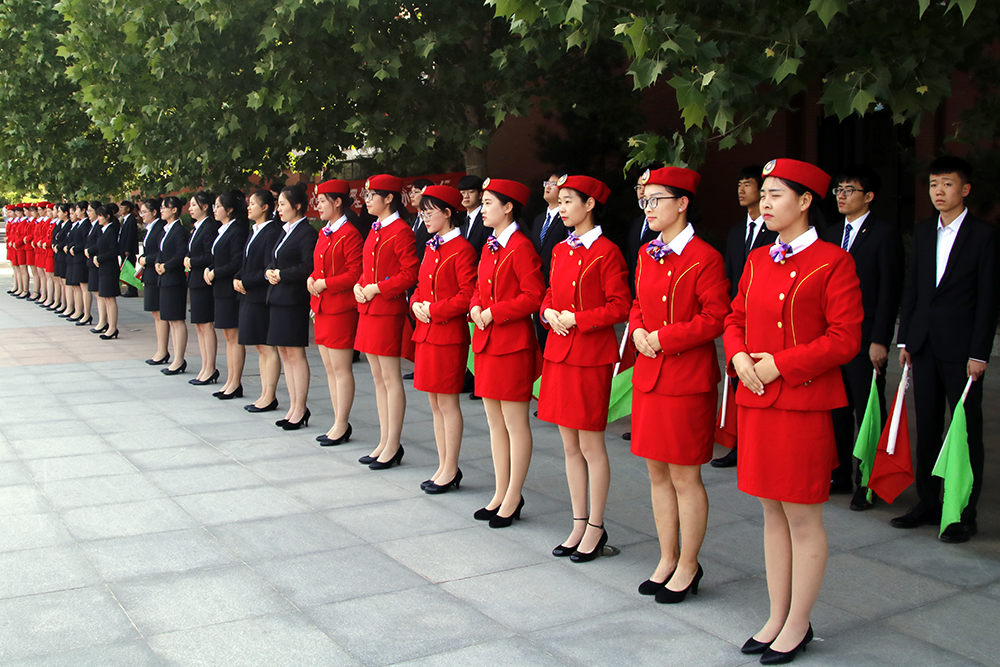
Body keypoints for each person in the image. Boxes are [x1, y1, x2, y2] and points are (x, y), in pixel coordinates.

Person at [724, 159, 862, 664]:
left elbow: (844, 339)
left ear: (805, 202)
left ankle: (798, 622)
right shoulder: (758, 258)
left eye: (776, 193)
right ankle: (776, 614)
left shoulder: (833, 261)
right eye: (763, 193)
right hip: (757, 399)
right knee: (770, 511)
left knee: (802, 516)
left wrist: (780, 364)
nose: (764, 202)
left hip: (803, 404)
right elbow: (735, 317)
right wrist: (739, 357)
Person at [629, 167, 730, 601]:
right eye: (645, 201)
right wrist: (637, 330)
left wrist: (663, 338)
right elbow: (636, 302)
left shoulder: (705, 257)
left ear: (683, 203)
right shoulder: (647, 252)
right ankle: (667, 557)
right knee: (656, 473)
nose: (648, 208)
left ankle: (689, 563)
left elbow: (716, 316)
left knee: (685, 476)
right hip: (650, 375)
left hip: (686, 378)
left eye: (656, 200)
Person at [894, 155, 999, 544]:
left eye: (948, 184)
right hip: (923, 345)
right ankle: (928, 502)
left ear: (965, 189)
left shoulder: (984, 236)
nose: (938, 191)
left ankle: (963, 513)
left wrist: (980, 353)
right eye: (933, 184)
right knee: (927, 427)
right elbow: (914, 288)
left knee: (966, 430)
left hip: (962, 351)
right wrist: (906, 339)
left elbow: (988, 300)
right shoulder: (924, 232)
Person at [540, 174, 630, 561]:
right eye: (559, 201)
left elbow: (620, 305)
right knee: (569, 445)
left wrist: (578, 319)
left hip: (591, 356)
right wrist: (547, 312)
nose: (561, 208)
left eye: (568, 201)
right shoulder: (560, 249)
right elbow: (549, 292)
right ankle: (578, 522)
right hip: (560, 353)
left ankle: (596, 525)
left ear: (589, 204)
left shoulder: (607, 251)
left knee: (591, 445)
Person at [822, 166, 903, 508]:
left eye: (849, 190)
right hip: (832, 340)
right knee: (837, 411)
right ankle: (839, 475)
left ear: (868, 196)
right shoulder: (830, 233)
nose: (841, 196)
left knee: (867, 413)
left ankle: (868, 482)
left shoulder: (884, 235)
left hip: (865, 341)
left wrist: (880, 340)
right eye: (838, 190)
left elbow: (889, 291)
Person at [469, 178, 544, 527]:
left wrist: (494, 312)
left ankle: (514, 495)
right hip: (487, 343)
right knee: (494, 423)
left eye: (488, 203)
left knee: (514, 424)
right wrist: (475, 305)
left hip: (512, 345)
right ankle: (500, 492)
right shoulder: (491, 244)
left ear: (508, 207)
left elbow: (534, 295)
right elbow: (478, 286)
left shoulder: (520, 246)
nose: (482, 209)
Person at [410, 184, 478, 493]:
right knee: (434, 403)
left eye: (429, 212)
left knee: (448, 403)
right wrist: (416, 303)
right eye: (422, 213)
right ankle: (442, 464)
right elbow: (420, 285)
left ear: (448, 213)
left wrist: (434, 310)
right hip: (426, 333)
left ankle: (451, 468)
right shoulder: (431, 246)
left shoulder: (462, 249)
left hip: (448, 335)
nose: (424, 218)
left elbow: (466, 295)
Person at [713, 165, 777, 468]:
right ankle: (741, 446)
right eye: (740, 184)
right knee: (739, 385)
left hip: (767, 319)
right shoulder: (737, 232)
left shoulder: (775, 232)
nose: (742, 190)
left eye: (748, 184)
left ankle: (760, 449)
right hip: (739, 319)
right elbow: (730, 275)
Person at [354, 174, 419, 467]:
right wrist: (359, 285)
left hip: (387, 311)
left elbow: (409, 273)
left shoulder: (401, 230)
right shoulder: (376, 228)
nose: (367, 201)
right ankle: (383, 440)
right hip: (369, 310)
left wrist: (378, 288)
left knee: (390, 379)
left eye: (372, 196)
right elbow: (367, 268)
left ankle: (393, 444)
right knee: (378, 378)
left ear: (389, 198)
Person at [308, 180, 363, 445]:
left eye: (322, 201)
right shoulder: (325, 231)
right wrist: (312, 278)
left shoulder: (349, 233)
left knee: (341, 369)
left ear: (338, 202)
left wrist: (325, 284)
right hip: (322, 307)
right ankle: (336, 421)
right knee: (329, 368)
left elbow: (354, 274)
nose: (318, 206)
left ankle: (342, 423)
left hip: (340, 309)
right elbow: (319, 266)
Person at [266, 184, 318, 430]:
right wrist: (270, 272)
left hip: (294, 300)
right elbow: (275, 258)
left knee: (295, 354)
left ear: (297, 206)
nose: (279, 209)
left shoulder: (306, 232)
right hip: (278, 297)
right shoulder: (284, 230)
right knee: (284, 353)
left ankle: (301, 408)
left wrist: (282, 274)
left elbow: (308, 266)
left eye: (283, 204)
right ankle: (293, 406)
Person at [235, 190, 283, 413]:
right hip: (248, 294)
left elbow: (267, 267)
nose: (249, 207)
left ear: (265, 207)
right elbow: (246, 263)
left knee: (266, 346)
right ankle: (264, 393)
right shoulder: (254, 230)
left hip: (261, 295)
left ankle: (269, 395)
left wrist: (245, 281)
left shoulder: (271, 232)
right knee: (259, 346)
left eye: (253, 203)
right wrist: (237, 278)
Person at [206, 192, 250, 399]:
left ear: (230, 209)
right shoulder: (222, 230)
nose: (214, 210)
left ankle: (235, 382)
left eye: (218, 206)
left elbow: (236, 262)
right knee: (228, 336)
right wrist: (210, 268)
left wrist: (216, 272)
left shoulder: (237, 231)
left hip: (230, 289)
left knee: (234, 336)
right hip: (219, 289)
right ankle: (230, 380)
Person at [185, 191, 221, 386]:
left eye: (194, 205)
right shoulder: (197, 227)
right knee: (199, 325)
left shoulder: (209, 228)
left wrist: (192, 261)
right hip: (195, 281)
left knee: (206, 325)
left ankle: (210, 368)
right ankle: (205, 366)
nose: (190, 208)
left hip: (204, 281)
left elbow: (209, 256)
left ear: (205, 207)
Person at [530, 171, 569, 352]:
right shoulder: (539, 219)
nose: (548, 186)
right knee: (541, 336)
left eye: (553, 184)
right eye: (547, 182)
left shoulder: (567, 219)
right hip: (538, 284)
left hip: (556, 285)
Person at [155, 196, 191, 375]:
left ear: (174, 210)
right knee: (169, 318)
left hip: (175, 279)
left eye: (164, 207)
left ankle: (179, 359)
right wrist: (157, 262)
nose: (162, 210)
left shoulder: (179, 231)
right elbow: (160, 250)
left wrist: (166, 266)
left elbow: (180, 254)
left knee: (177, 319)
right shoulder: (165, 229)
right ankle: (174, 357)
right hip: (164, 279)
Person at [138, 198, 171, 365]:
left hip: (156, 272)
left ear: (154, 212)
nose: (142, 215)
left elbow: (160, 251)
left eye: (144, 211)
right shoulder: (151, 227)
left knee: (159, 313)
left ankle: (162, 350)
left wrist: (147, 259)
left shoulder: (159, 227)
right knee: (155, 313)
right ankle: (160, 349)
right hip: (150, 273)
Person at [92, 203, 122, 339]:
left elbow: (114, 251)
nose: (98, 218)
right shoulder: (103, 230)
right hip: (103, 267)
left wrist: (99, 258)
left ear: (107, 216)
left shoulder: (111, 230)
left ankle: (112, 327)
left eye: (100, 216)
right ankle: (108, 325)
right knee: (105, 298)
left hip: (109, 268)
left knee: (110, 299)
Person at [82, 201, 103, 329]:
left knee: (99, 294)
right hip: (91, 261)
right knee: (96, 292)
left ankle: (103, 321)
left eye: (90, 210)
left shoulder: (99, 226)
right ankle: (101, 320)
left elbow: (99, 244)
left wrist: (90, 250)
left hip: (96, 261)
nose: (88, 213)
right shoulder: (93, 225)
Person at [458, 175, 489, 255]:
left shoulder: (487, 217)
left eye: (471, 192)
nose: (466, 196)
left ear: (480, 195)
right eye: (463, 193)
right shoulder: (461, 221)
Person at [119, 200, 140, 297]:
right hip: (123, 248)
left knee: (130, 269)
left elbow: (131, 236)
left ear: (128, 209)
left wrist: (127, 249)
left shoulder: (131, 220)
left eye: (122, 207)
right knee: (126, 269)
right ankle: (130, 288)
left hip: (128, 250)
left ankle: (132, 290)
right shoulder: (125, 219)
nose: (120, 209)